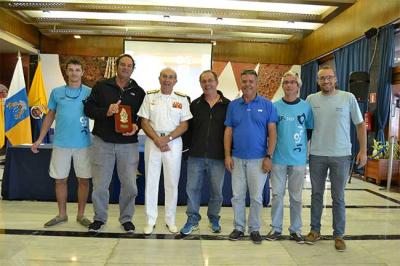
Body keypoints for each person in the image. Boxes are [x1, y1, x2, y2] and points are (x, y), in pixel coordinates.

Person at [304, 65, 367, 251]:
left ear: (335, 79)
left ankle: (339, 235)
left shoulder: (348, 97)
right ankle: (315, 231)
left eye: (329, 77)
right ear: (318, 81)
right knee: (316, 194)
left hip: (341, 155)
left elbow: (360, 125)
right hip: (317, 154)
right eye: (322, 78)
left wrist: (363, 151)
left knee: (338, 197)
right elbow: (304, 127)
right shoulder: (310, 99)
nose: (326, 81)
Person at [83, 54, 145, 233]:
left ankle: (126, 219)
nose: (126, 68)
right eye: (123, 65)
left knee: (130, 185)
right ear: (117, 66)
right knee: (100, 185)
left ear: (133, 69)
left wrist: (136, 125)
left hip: (128, 145)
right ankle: (99, 218)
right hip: (103, 143)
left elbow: (143, 116)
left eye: (129, 65)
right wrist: (106, 111)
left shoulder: (138, 91)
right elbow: (88, 109)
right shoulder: (102, 86)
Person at [31, 58, 92, 228]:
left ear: (82, 72)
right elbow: (50, 116)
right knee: (60, 180)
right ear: (66, 72)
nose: (74, 73)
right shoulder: (56, 92)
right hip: (61, 143)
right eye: (71, 69)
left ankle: (81, 215)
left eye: (77, 70)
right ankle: (62, 214)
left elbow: (97, 114)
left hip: (84, 143)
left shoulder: (89, 92)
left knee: (84, 180)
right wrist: (40, 138)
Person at [224, 69, 277, 244]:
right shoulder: (233, 105)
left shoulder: (268, 105)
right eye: (244, 81)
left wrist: (269, 156)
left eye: (251, 81)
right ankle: (239, 227)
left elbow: (272, 132)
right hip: (237, 158)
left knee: (256, 197)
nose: (247, 84)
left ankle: (254, 229)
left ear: (257, 83)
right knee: (237, 196)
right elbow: (228, 132)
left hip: (259, 159)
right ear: (241, 83)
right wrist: (227, 155)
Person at [138, 68, 192, 235]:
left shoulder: (182, 99)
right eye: (164, 77)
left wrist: (166, 139)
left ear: (175, 80)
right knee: (151, 182)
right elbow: (144, 121)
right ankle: (150, 220)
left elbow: (184, 125)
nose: (167, 80)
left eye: (171, 77)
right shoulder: (150, 96)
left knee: (171, 183)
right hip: (153, 142)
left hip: (173, 143)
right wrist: (157, 139)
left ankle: (170, 220)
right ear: (159, 78)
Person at [180, 70, 230, 235]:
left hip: (218, 157)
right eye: (204, 81)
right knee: (192, 189)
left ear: (216, 82)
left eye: (210, 80)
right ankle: (192, 220)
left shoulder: (228, 105)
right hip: (196, 155)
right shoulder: (194, 104)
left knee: (216, 191)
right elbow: (188, 130)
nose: (207, 84)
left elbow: (231, 131)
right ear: (200, 83)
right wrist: (186, 150)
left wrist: (229, 154)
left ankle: (214, 217)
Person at [265, 71, 313, 243]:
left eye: (293, 82)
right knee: (277, 195)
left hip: (298, 161)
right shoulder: (274, 106)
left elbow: (309, 131)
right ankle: (276, 228)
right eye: (286, 82)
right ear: (282, 85)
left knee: (296, 197)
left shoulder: (306, 107)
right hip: (278, 159)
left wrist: (300, 151)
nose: (289, 85)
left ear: (298, 86)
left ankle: (295, 229)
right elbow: (269, 132)